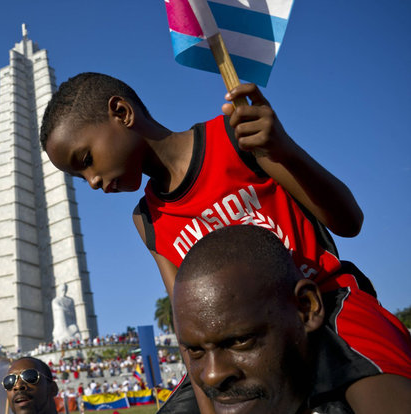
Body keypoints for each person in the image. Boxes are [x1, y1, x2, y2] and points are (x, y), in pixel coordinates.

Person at [40, 72, 411, 413]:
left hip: (324, 307)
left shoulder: (237, 136)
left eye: (86, 160)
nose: (90, 181)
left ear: (121, 112)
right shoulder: (148, 219)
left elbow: (349, 221)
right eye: (78, 175)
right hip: (232, 352)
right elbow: (191, 336)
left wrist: (283, 149)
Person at [169, 225, 399, 413]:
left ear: (307, 308)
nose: (212, 375)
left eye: (240, 341)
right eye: (196, 351)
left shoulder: (363, 373)